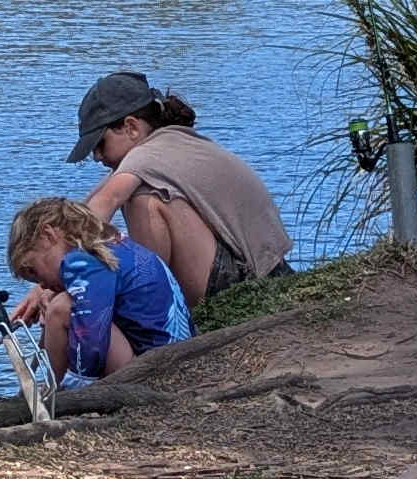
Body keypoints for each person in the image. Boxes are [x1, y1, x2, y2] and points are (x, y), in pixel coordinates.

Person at [67, 72, 292, 314]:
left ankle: (150, 316)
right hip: (261, 273)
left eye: (100, 144)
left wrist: (65, 272)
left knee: (143, 200)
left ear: (131, 127)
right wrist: (47, 284)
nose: (97, 157)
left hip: (253, 284)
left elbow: (107, 200)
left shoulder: (147, 156)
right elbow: (91, 202)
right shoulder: (163, 147)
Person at [5, 195, 190, 382]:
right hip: (169, 357)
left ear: (48, 235)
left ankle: (56, 390)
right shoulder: (107, 245)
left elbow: (92, 334)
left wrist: (77, 384)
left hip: (153, 369)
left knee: (62, 308)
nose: (41, 285)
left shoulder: (81, 262)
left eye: (33, 271)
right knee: (60, 300)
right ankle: (53, 384)